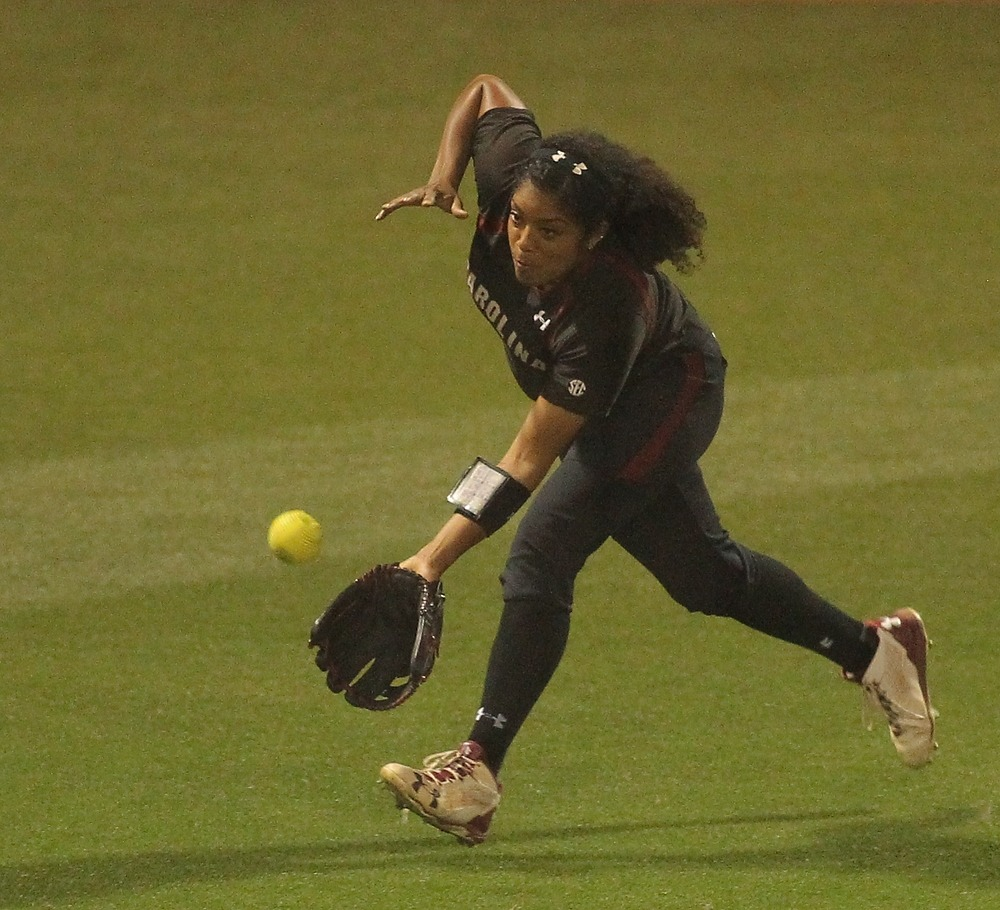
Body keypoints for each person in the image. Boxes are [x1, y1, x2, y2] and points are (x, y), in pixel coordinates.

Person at [373, 74, 936, 846]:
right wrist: (444, 174)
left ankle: (476, 772)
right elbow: (484, 90)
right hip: (605, 405)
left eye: (551, 233)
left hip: (666, 393)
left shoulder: (606, 307)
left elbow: (529, 457)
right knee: (703, 577)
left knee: (542, 551)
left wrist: (430, 561)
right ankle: (876, 650)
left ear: (594, 237)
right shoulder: (512, 180)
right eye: (521, 221)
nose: (524, 242)